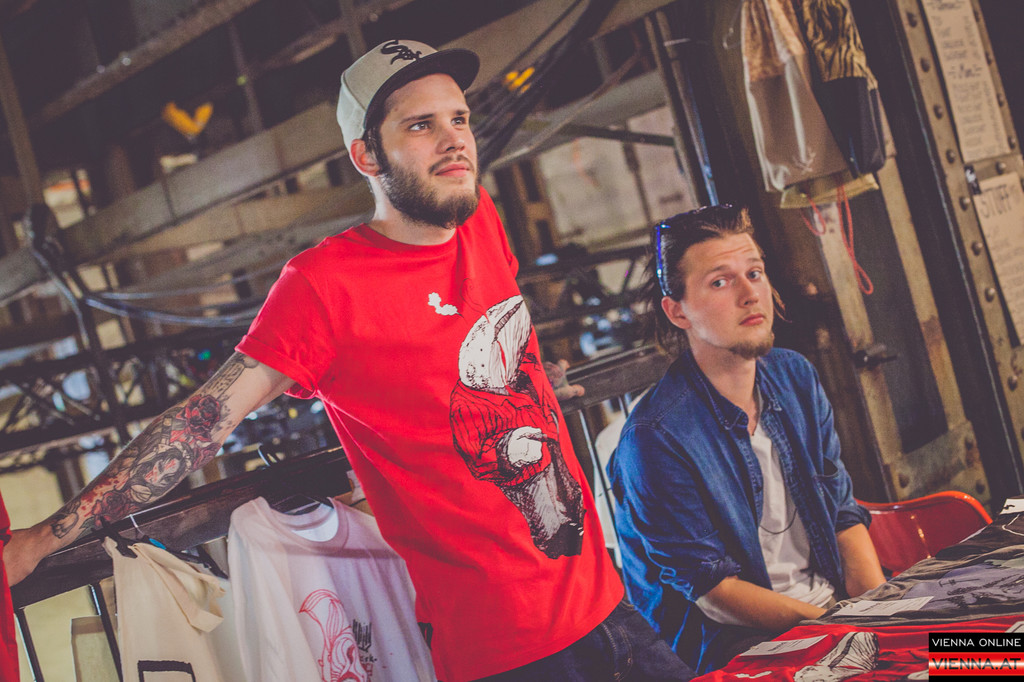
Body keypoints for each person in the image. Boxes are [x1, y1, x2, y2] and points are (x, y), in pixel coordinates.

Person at [7, 40, 695, 681]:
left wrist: (538, 390)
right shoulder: (323, 286)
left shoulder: (478, 219)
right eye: (421, 125)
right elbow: (202, 421)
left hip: (607, 601)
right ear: (366, 155)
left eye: (459, 118)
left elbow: (486, 352)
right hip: (510, 650)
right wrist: (44, 538)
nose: (454, 138)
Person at [607, 205, 885, 674]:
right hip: (738, 644)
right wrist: (838, 630)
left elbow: (842, 514)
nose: (750, 293)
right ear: (677, 311)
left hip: (834, 613)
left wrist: (882, 614)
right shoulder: (655, 437)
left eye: (754, 273)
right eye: (720, 281)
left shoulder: (795, 376)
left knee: (985, 653)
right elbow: (714, 593)